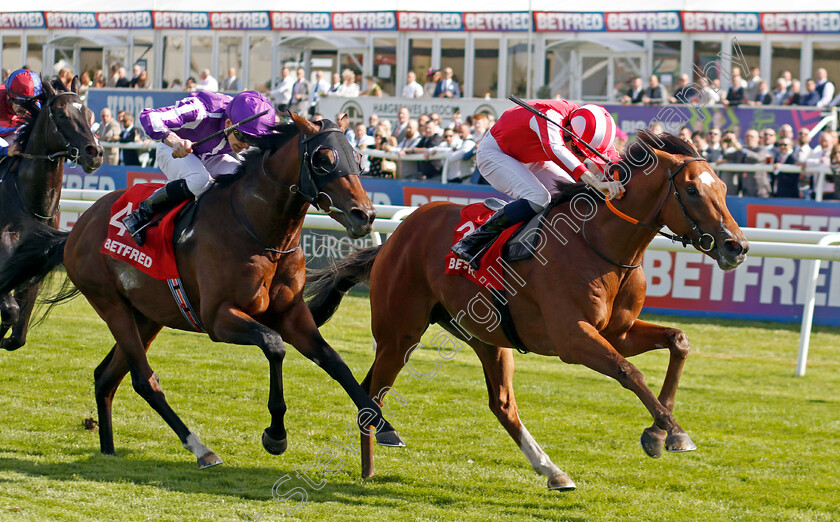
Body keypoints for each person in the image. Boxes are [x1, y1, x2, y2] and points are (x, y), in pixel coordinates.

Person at [451, 100, 624, 268]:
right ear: (569, 131)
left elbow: (613, 163)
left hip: (530, 156)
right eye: (579, 150)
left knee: (576, 197)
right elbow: (557, 149)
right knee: (539, 198)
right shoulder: (550, 116)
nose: (584, 157)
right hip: (495, 153)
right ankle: (471, 243)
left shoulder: (585, 125)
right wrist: (595, 183)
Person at [122, 91, 276, 245]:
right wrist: (175, 141)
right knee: (200, 179)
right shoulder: (200, 110)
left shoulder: (249, 121)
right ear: (228, 124)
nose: (246, 145)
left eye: (253, 140)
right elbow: (148, 115)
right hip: (172, 152)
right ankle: (141, 214)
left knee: (245, 178)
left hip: (209, 156)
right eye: (243, 137)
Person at [0, 69, 43, 160]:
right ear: (8, 96)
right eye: (21, 102)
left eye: (31, 103)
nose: (25, 109)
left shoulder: (38, 106)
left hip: (10, 134)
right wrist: (4, 150)